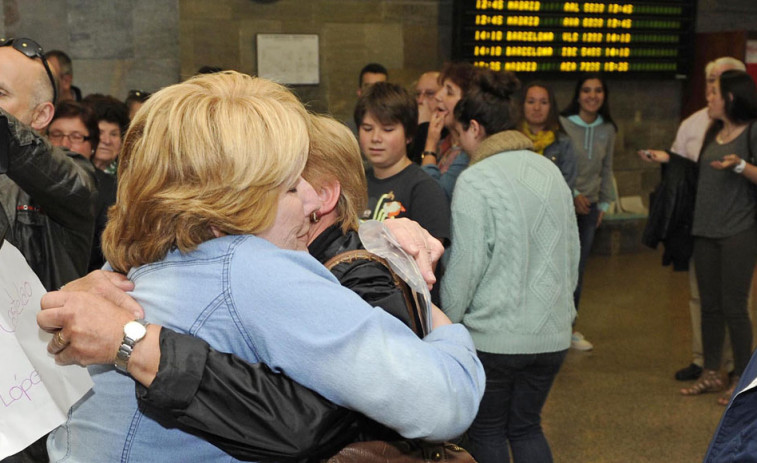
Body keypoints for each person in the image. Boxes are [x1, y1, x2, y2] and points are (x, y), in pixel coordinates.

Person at [41, 71, 484, 462]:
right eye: (292, 188)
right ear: (235, 198)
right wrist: (440, 323)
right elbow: (446, 400)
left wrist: (380, 233)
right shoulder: (248, 267)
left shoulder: (147, 259)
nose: (313, 203)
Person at [442, 69, 579, 463]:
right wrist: (560, 315)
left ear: (474, 128)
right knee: (526, 427)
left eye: (458, 133)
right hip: (552, 335)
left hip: (495, 339)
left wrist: (447, 329)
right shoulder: (548, 170)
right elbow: (573, 251)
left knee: (488, 431)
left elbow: (466, 267)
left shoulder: (476, 179)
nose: (458, 143)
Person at [0, 36, 97, 463]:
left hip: (33, 416)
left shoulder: (70, 181)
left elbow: (71, 184)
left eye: (0, 93)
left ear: (41, 115)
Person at [643, 70, 757, 405]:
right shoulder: (712, 130)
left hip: (739, 230)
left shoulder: (752, 131)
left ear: (731, 98)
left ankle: (742, 379)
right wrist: (667, 158)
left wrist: (740, 166)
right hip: (704, 230)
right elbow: (699, 172)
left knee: (735, 307)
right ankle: (711, 373)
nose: (708, 98)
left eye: (714, 93)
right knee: (709, 307)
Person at [560, 74, 618, 351]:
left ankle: (570, 327)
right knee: (560, 266)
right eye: (586, 90)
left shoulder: (608, 129)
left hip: (591, 208)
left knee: (578, 270)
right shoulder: (562, 125)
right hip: (563, 203)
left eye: (597, 91)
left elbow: (607, 169)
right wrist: (573, 195)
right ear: (578, 94)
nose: (592, 96)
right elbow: (557, 166)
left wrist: (604, 203)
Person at [47, 100, 117, 271]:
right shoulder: (29, 182)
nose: (64, 144)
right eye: (56, 134)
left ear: (92, 145)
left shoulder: (111, 190)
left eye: (76, 137)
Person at [421, 62, 481, 199]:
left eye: (449, 92)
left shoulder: (468, 152)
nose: (438, 96)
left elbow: (432, 197)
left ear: (467, 102)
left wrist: (430, 146)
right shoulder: (444, 143)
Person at [517, 81, 577, 189]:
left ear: (551, 107)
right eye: (531, 102)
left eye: (543, 103)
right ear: (522, 105)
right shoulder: (512, 140)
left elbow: (567, 185)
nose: (537, 108)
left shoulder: (563, 143)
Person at [81, 93, 130, 173]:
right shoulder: (73, 172)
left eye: (113, 134)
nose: (107, 141)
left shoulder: (127, 178)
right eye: (100, 133)